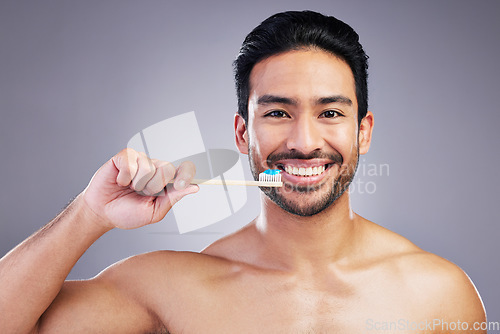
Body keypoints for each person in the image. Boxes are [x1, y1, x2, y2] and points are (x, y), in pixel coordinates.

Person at [0, 10, 486, 334]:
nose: (304, 141)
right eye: (277, 113)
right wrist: (90, 213)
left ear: (364, 131)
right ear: (241, 133)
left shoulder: (439, 295)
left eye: (331, 114)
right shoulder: (174, 290)